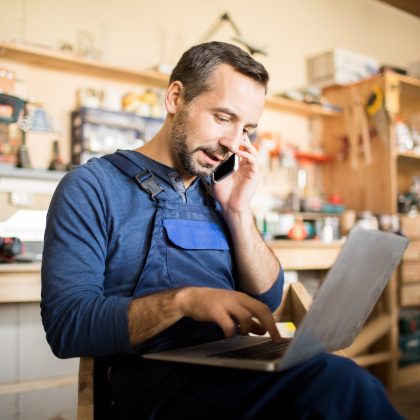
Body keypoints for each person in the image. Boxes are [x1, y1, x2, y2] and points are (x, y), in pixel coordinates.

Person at [41, 41, 402, 419]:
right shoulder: (91, 187)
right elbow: (68, 325)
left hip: (229, 368)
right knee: (337, 385)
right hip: (150, 386)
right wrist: (184, 301)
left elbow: (268, 299)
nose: (233, 143)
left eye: (246, 128)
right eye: (223, 118)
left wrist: (237, 211)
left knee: (339, 383)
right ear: (175, 98)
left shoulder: (219, 193)